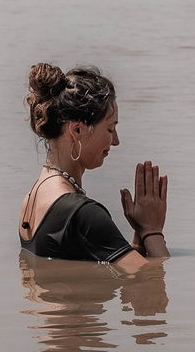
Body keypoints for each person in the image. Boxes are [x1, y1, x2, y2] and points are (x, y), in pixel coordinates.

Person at [17, 63, 169, 274]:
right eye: (110, 128)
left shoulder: (32, 199)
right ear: (77, 129)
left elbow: (76, 266)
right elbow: (152, 282)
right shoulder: (81, 212)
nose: (116, 141)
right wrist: (153, 231)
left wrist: (140, 232)